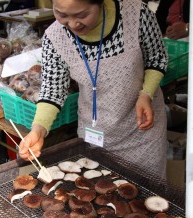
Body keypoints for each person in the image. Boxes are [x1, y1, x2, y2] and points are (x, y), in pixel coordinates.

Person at [19, 0, 168, 179]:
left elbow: (156, 57)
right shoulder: (55, 37)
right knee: (99, 190)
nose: (73, 24)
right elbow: (52, 88)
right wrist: (38, 130)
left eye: (82, 15)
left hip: (142, 129)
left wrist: (146, 94)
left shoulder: (136, 14)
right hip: (95, 133)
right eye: (62, 14)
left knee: (147, 192)